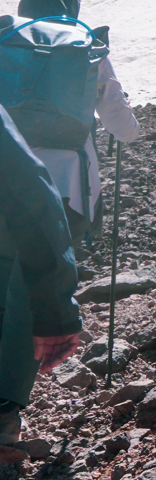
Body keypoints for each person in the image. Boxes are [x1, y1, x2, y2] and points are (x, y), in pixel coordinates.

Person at [3, 0, 140, 247]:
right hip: (69, 180)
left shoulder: (7, 44)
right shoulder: (85, 47)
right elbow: (122, 129)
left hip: (8, 167)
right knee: (53, 261)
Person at [0, 103, 82, 448]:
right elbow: (30, 197)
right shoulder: (85, 50)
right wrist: (55, 312)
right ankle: (5, 410)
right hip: (61, 191)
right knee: (18, 292)